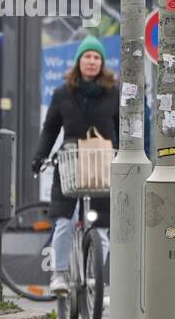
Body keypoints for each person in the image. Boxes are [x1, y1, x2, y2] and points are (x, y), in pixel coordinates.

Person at [33, 35, 119, 294]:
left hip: (104, 161)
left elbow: (126, 128)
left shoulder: (114, 92)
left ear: (102, 63)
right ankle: (59, 274)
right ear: (79, 61)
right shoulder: (62, 93)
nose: (92, 61)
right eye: (87, 56)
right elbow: (50, 129)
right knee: (65, 222)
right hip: (70, 162)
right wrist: (39, 157)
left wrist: (131, 157)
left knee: (102, 226)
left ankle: (95, 278)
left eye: (96, 57)